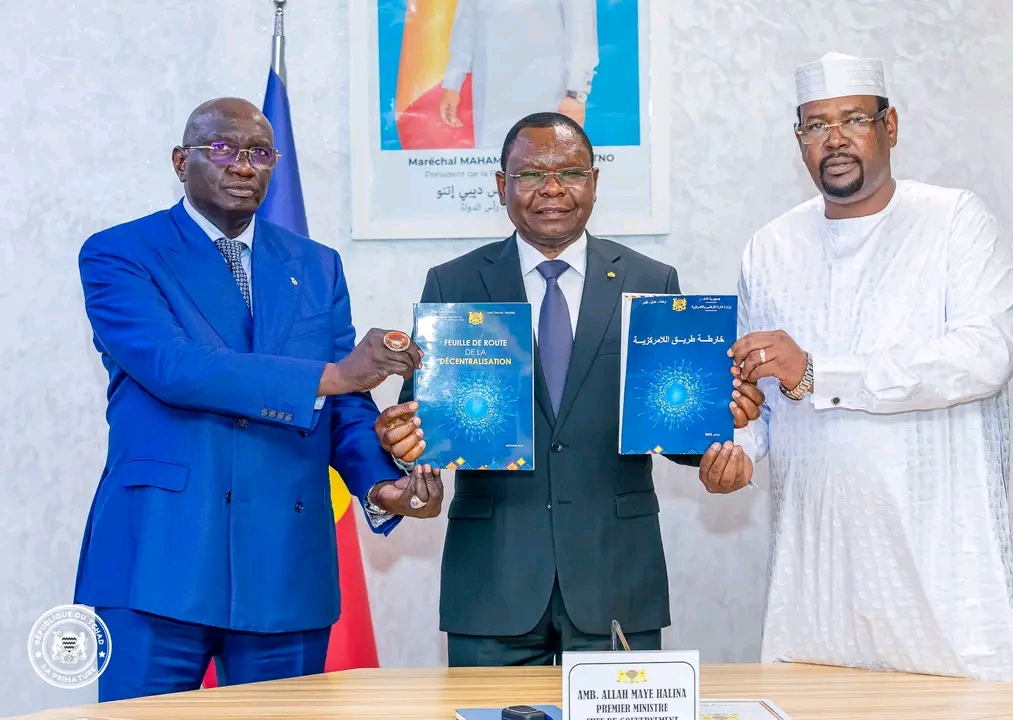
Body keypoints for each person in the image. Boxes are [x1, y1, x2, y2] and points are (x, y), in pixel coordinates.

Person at [74, 98, 444, 701]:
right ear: (181, 160)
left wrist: (383, 487)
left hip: (284, 564)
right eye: (221, 148)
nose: (243, 165)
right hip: (159, 558)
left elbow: (344, 406)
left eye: (260, 153)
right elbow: (176, 369)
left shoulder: (316, 265)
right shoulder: (120, 253)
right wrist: (337, 374)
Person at [375, 112, 763, 666]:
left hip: (615, 576)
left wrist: (715, 440)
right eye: (531, 175)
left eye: (571, 173)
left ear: (595, 182)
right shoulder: (454, 283)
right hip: (492, 579)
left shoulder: (650, 282)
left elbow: (671, 427)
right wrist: (403, 441)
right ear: (501, 186)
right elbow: (424, 426)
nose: (552, 189)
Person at [729, 52, 1013, 684]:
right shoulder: (770, 248)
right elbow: (760, 396)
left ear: (889, 126)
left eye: (853, 119)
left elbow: (984, 356)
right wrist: (736, 451)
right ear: (799, 139)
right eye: (816, 125)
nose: (834, 139)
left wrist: (821, 373)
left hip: (939, 563)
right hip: (816, 568)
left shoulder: (954, 222)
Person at [439, 0, 598, 147]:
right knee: (494, 161)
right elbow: (467, 22)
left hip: (546, 91)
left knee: (544, 158)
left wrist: (576, 92)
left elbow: (580, 25)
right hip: (491, 95)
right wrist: (453, 82)